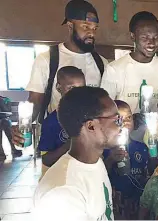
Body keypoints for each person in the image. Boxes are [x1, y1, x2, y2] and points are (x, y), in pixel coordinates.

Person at [12, 0, 107, 146]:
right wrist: (23, 124)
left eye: (94, 28)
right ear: (70, 26)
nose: (91, 33)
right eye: (85, 26)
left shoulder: (101, 63)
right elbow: (35, 100)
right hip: (56, 140)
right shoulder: (47, 59)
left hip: (91, 144)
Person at [33, 87, 118, 220]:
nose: (121, 126)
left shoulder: (95, 162)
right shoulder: (63, 193)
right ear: (91, 126)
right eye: (116, 120)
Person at [101, 11, 158, 113]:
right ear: (133, 36)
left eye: (156, 37)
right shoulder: (114, 70)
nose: (152, 43)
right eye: (145, 37)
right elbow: (105, 109)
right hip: (126, 128)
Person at [103, 100, 149, 220]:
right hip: (116, 202)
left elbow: (147, 172)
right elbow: (100, 176)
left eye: (129, 117)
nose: (126, 122)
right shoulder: (105, 150)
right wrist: (110, 160)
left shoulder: (141, 147)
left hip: (137, 200)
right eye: (120, 119)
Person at [38, 66, 86, 177]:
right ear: (59, 87)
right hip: (57, 178)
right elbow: (46, 160)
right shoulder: (51, 122)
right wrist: (69, 145)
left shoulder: (87, 117)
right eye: (71, 88)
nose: (77, 93)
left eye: (81, 88)